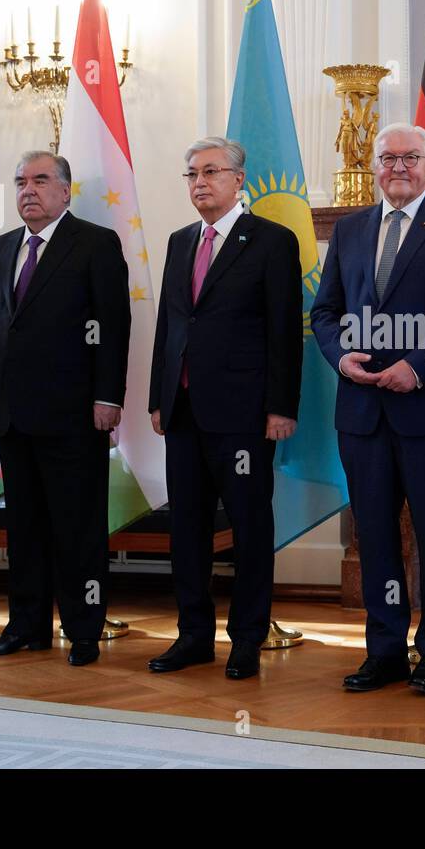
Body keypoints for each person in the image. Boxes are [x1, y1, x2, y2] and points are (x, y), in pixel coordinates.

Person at [311, 122, 425, 695]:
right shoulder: (350, 229)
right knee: (377, 541)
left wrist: (416, 366)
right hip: (361, 416)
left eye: (409, 157)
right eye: (386, 158)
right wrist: (343, 359)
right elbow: (324, 312)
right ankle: (383, 650)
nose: (397, 167)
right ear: (373, 167)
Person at [147, 137, 302, 680]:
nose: (199, 182)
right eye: (190, 173)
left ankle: (247, 639)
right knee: (186, 529)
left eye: (211, 172)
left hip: (244, 413)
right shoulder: (179, 241)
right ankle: (193, 636)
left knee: (248, 528)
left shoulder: (271, 241)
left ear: (239, 180)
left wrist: (281, 407)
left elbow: (285, 331)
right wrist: (157, 397)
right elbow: (170, 326)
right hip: (183, 410)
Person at [0, 151, 130, 667]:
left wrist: (109, 397)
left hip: (74, 415)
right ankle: (27, 626)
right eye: (20, 181)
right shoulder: (0, 249)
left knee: (77, 528)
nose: (28, 190)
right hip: (13, 416)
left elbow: (114, 326)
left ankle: (84, 630)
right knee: (25, 527)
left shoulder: (95, 243)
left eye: (40, 180)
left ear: (65, 190)